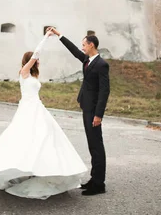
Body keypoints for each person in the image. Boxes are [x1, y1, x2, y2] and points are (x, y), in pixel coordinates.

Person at [0, 31, 88, 200]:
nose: (37, 61)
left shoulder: (33, 75)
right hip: (27, 109)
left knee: (44, 138)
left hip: (37, 107)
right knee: (25, 138)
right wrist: (45, 38)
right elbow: (36, 55)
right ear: (28, 61)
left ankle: (40, 169)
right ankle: (23, 169)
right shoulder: (24, 72)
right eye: (34, 60)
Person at [48, 27, 110, 196]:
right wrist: (59, 35)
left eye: (84, 45)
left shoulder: (102, 64)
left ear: (91, 45)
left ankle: (99, 184)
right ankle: (94, 179)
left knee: (97, 145)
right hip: (86, 107)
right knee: (92, 144)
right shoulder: (87, 60)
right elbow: (74, 51)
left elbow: (105, 91)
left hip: (94, 111)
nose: (82, 47)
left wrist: (99, 115)